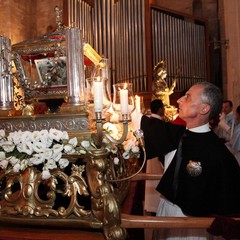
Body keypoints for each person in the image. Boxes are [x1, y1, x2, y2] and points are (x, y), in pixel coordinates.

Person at [132, 81, 240, 239]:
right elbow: (140, 122)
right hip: (166, 210)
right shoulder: (176, 134)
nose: (179, 100)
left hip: (195, 225)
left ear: (204, 108)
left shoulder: (220, 154)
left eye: (187, 98)